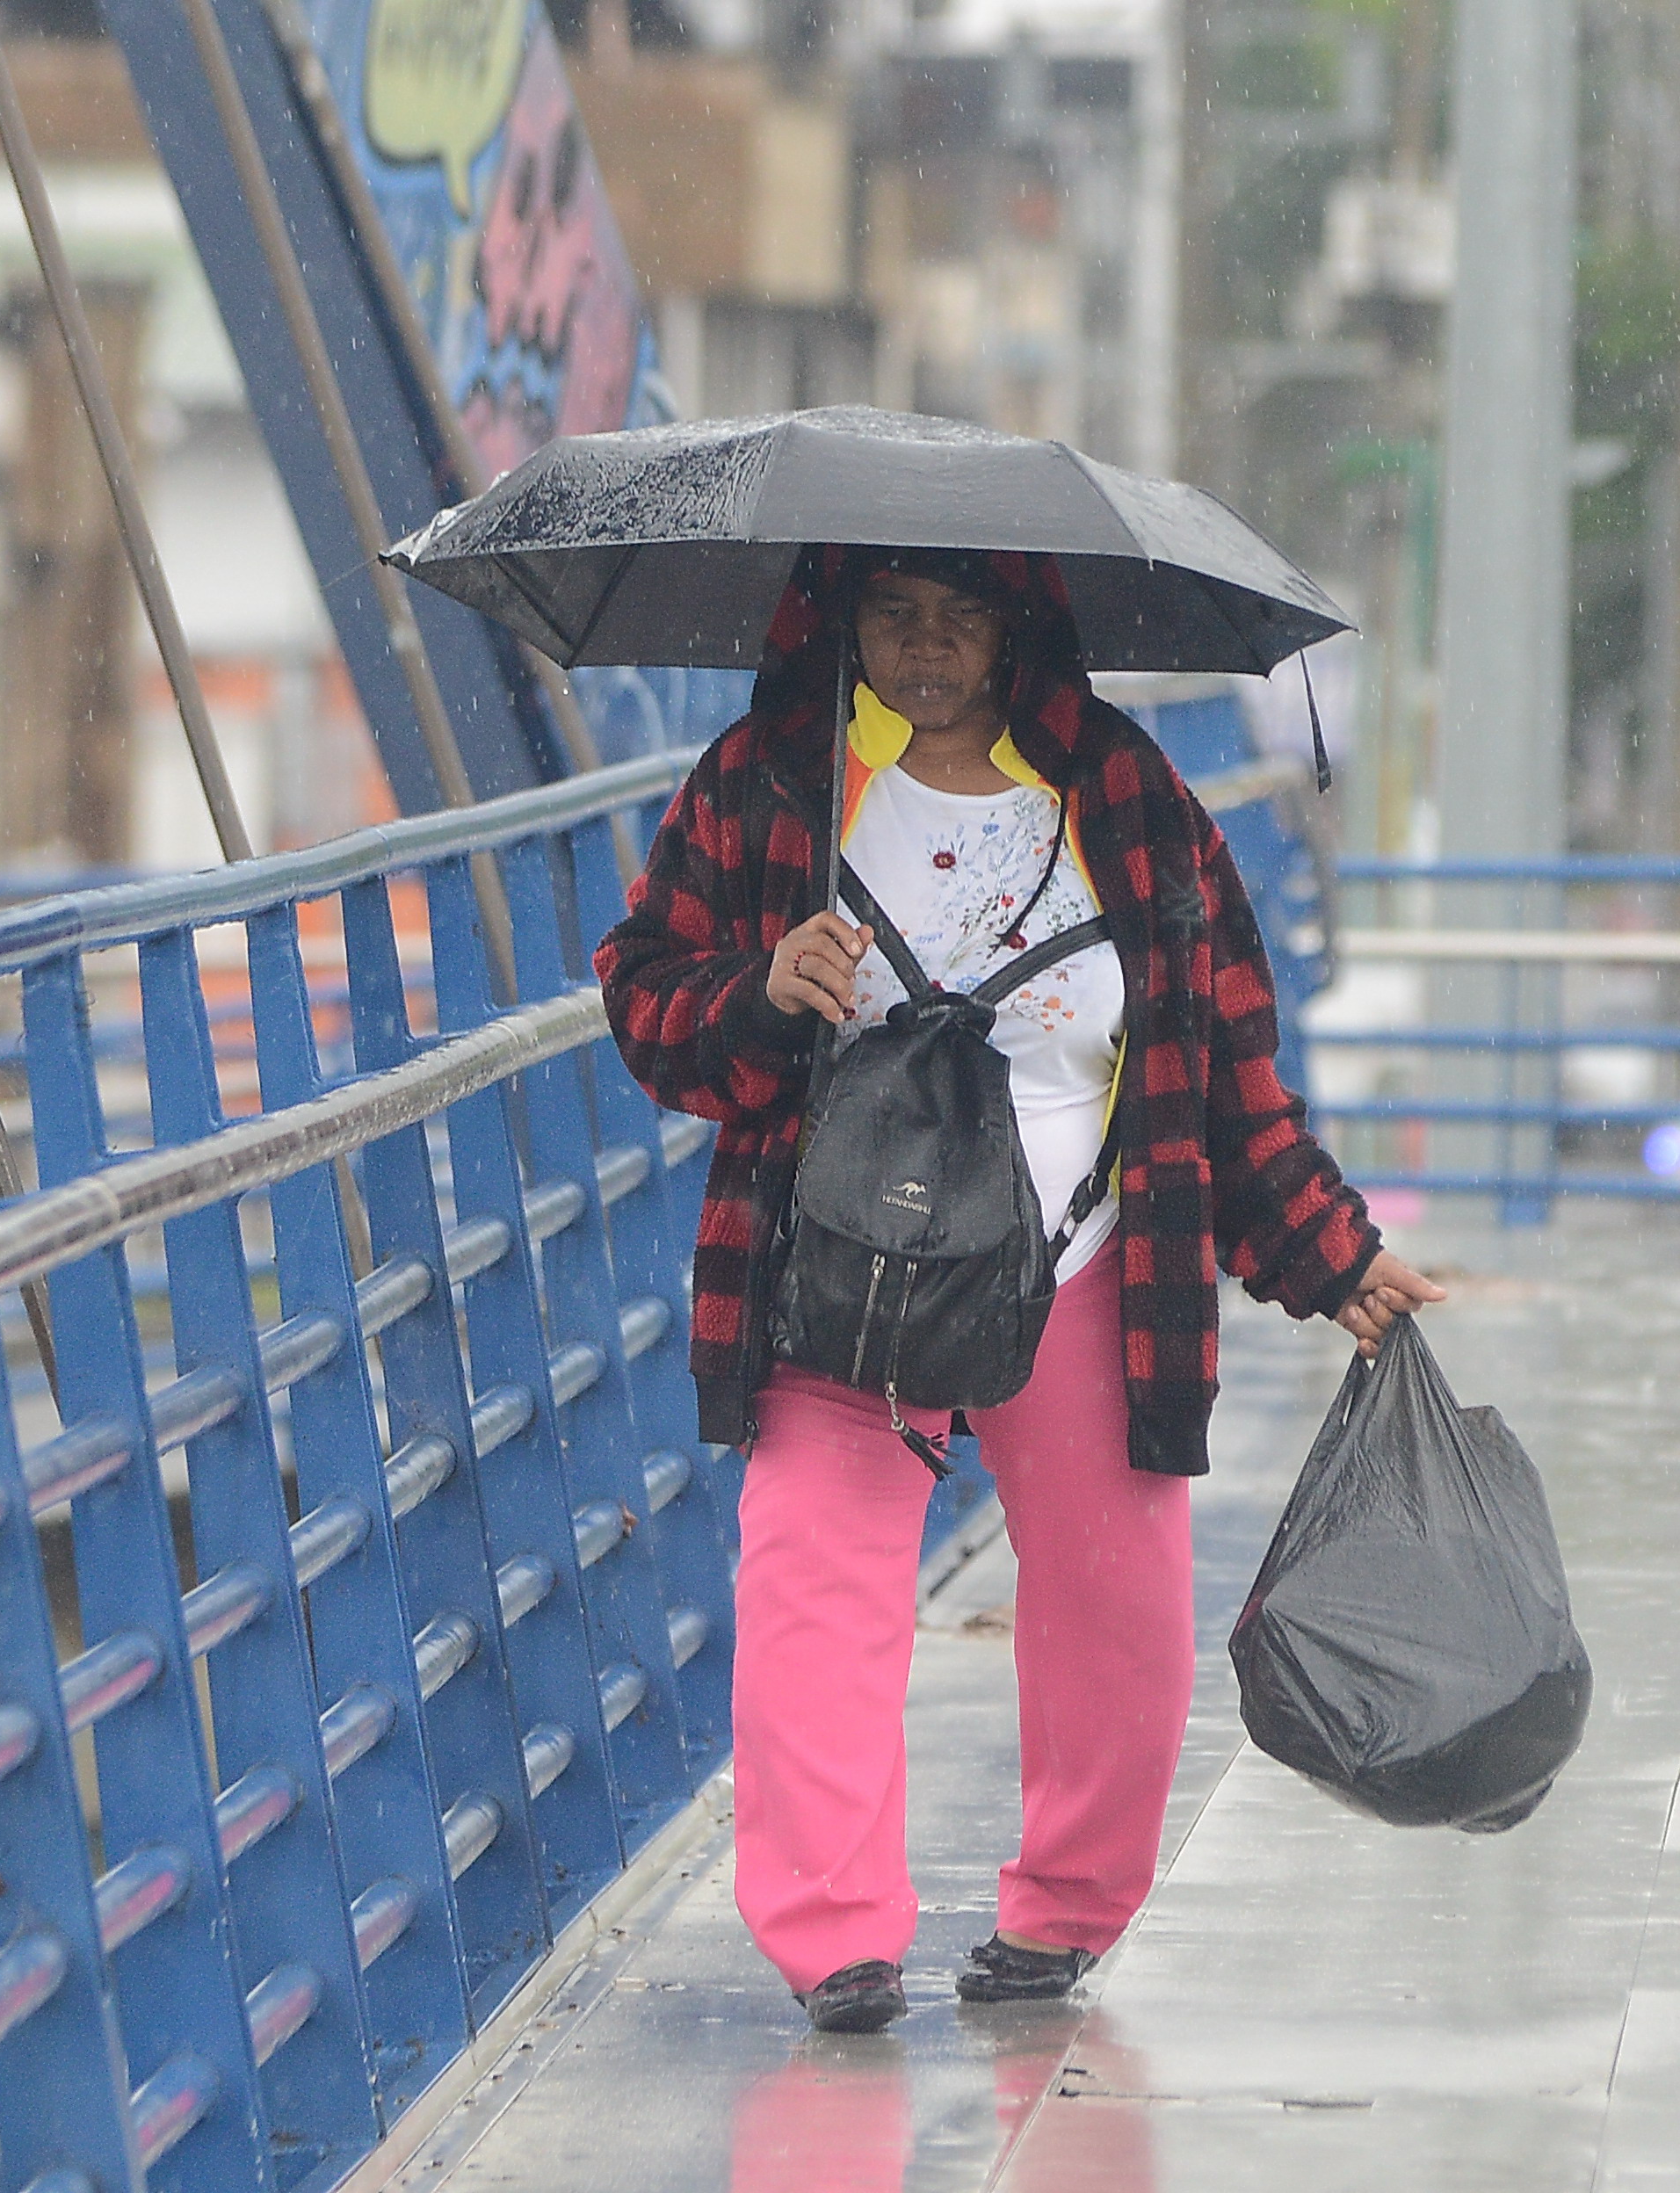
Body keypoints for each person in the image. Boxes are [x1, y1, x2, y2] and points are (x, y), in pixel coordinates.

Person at [596, 546, 1445, 2034]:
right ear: (841, 622)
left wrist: (1332, 1254)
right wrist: (754, 985)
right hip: (840, 1267)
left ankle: (1062, 1913)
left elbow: (1227, 1061)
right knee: (811, 1585)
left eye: (959, 617)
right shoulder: (768, 779)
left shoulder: (1125, 795)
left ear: (1017, 629)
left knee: (1121, 1611)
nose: (926, 648)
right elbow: (648, 998)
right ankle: (836, 1937)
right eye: (894, 616)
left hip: (1088, 1257)